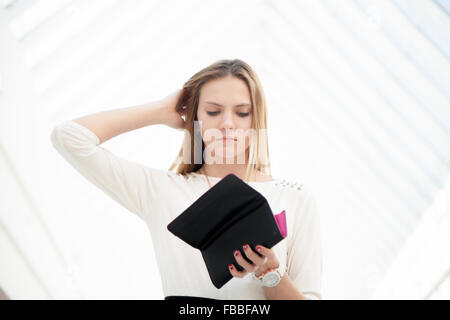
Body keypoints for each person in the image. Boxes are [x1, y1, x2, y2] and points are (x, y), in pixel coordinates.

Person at [50, 59, 323, 300]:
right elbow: (69, 137)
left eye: (242, 112)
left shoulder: (295, 197)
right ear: (195, 117)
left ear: (256, 120)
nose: (227, 123)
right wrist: (158, 110)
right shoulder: (161, 190)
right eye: (213, 111)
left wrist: (269, 272)